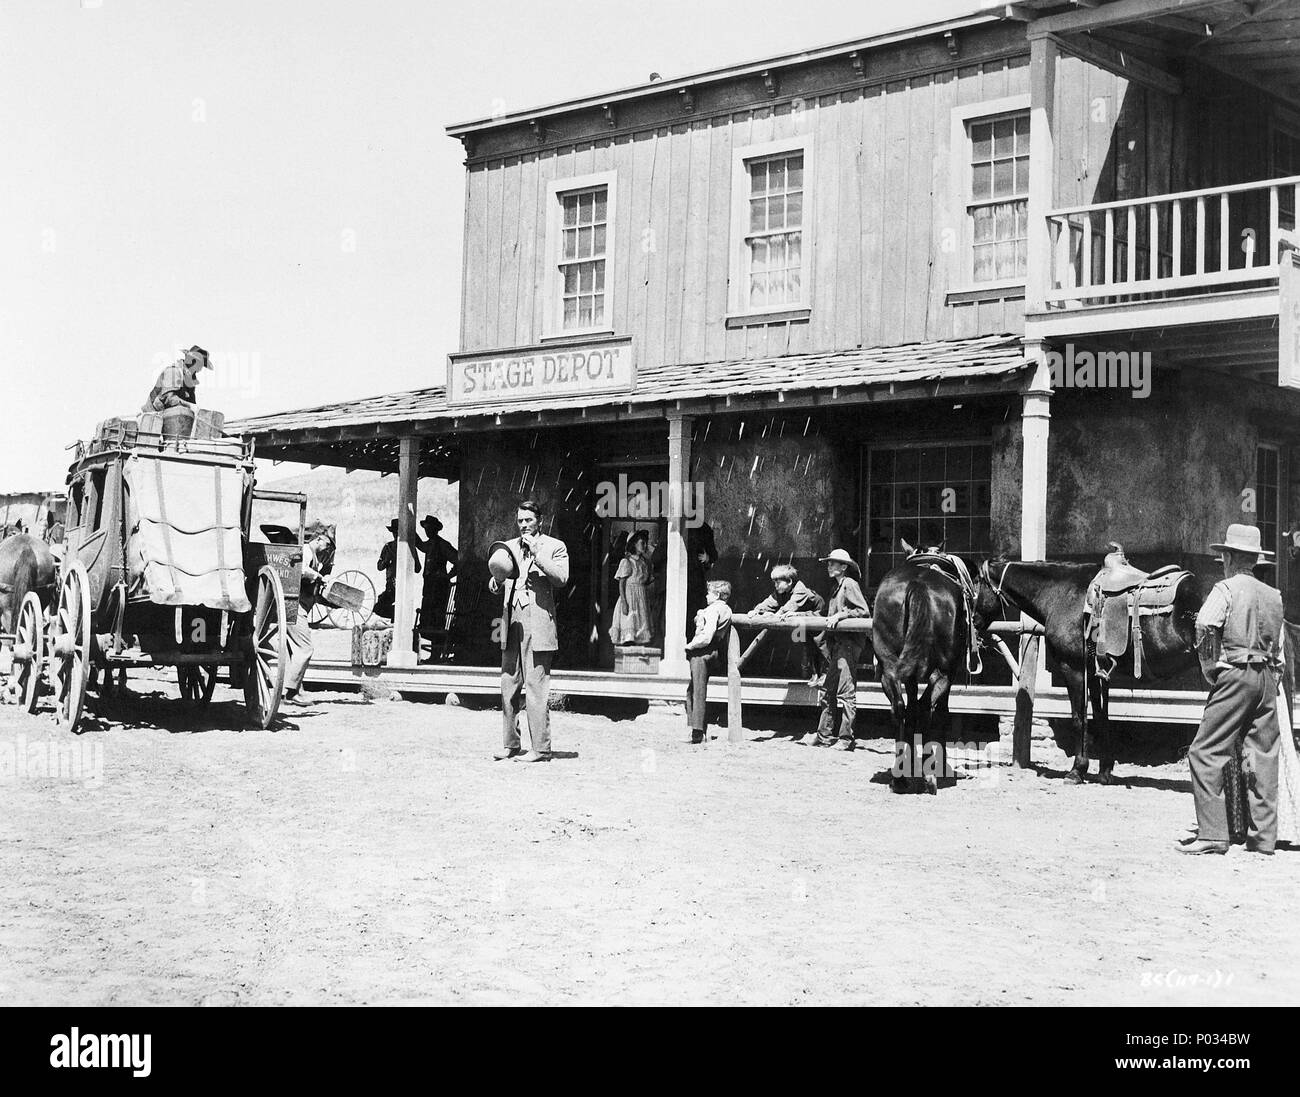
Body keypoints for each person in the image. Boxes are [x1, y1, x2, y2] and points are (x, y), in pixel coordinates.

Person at [1179, 524, 1285, 855]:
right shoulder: (1275, 596)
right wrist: (1271, 679)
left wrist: (1212, 670)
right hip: (1267, 678)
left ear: (1229, 557)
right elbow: (1279, 651)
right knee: (1263, 755)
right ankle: (1263, 840)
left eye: (1223, 556)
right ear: (1253, 559)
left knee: (1205, 751)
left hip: (1235, 673)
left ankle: (1212, 834)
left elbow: (1204, 624)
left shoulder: (1224, 589)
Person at [492, 500, 569, 762]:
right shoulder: (510, 546)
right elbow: (500, 577)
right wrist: (495, 580)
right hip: (512, 620)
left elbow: (561, 578)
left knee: (536, 688)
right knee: (508, 685)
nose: (524, 525)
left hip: (538, 622)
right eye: (520, 521)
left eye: (529, 520)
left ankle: (541, 748)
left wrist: (537, 553)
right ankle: (510, 744)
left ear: (540, 521)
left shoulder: (554, 546)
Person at [803, 548, 870, 750]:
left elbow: (863, 611)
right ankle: (823, 735)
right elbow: (827, 614)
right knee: (827, 690)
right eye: (829, 563)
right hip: (838, 645)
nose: (829, 566)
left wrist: (841, 615)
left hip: (849, 644)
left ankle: (845, 739)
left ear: (843, 567)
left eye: (833, 563)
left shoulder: (850, 584)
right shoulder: (835, 587)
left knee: (846, 691)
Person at [284, 523, 336, 706]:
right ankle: (291, 693)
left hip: (300, 607)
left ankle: (295, 689)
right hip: (295, 607)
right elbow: (302, 570)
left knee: (296, 651)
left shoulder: (314, 557)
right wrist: (320, 577)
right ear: (318, 539)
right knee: (305, 648)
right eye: (327, 544)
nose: (327, 548)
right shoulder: (306, 551)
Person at [749, 563, 827, 682]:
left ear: (789, 581)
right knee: (807, 643)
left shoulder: (800, 590)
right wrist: (756, 611)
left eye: (778, 582)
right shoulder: (780, 592)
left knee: (820, 643)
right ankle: (815, 673)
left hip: (816, 614)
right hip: (801, 617)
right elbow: (769, 602)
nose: (775, 585)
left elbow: (787, 608)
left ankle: (826, 673)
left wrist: (774, 616)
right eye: (774, 582)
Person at [685, 579, 733, 744]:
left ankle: (697, 731)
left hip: (702, 652)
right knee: (695, 690)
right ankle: (699, 729)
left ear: (717, 595)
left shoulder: (713, 610)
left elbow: (707, 635)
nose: (706, 596)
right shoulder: (726, 609)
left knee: (696, 692)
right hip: (715, 652)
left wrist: (690, 646)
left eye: (709, 593)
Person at [416, 515, 458, 639]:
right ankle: (433, 655)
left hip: (439, 587)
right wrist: (410, 532)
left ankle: (436, 653)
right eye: (425, 529)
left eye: (429, 529)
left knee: (436, 619)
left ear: (435, 529)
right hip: (429, 586)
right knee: (426, 620)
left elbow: (457, 560)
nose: (427, 531)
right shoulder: (430, 544)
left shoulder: (442, 544)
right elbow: (421, 546)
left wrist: (447, 576)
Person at [609, 529, 652, 645]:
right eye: (642, 543)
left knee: (641, 628)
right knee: (630, 625)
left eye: (645, 543)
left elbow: (647, 581)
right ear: (634, 544)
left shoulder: (644, 563)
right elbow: (621, 583)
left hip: (641, 598)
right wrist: (624, 601)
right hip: (630, 598)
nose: (645, 545)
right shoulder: (627, 561)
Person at [374, 518, 419, 622]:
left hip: (404, 586)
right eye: (394, 532)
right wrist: (386, 561)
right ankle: (397, 616)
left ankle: (397, 617)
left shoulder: (410, 547)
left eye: (398, 531)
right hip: (391, 585)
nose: (395, 534)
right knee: (378, 608)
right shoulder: (388, 547)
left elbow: (417, 568)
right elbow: (379, 567)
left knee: (382, 607)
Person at [143, 345, 211, 413]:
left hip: (173, 415)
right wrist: (190, 406)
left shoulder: (189, 380)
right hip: (153, 416)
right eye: (199, 365)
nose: (200, 370)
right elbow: (169, 399)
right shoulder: (174, 371)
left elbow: (191, 403)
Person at [685, 521, 719, 639]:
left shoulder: (703, 528)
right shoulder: (676, 524)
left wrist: (707, 558)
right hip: (680, 579)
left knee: (696, 614)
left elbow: (713, 555)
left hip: (695, 580)